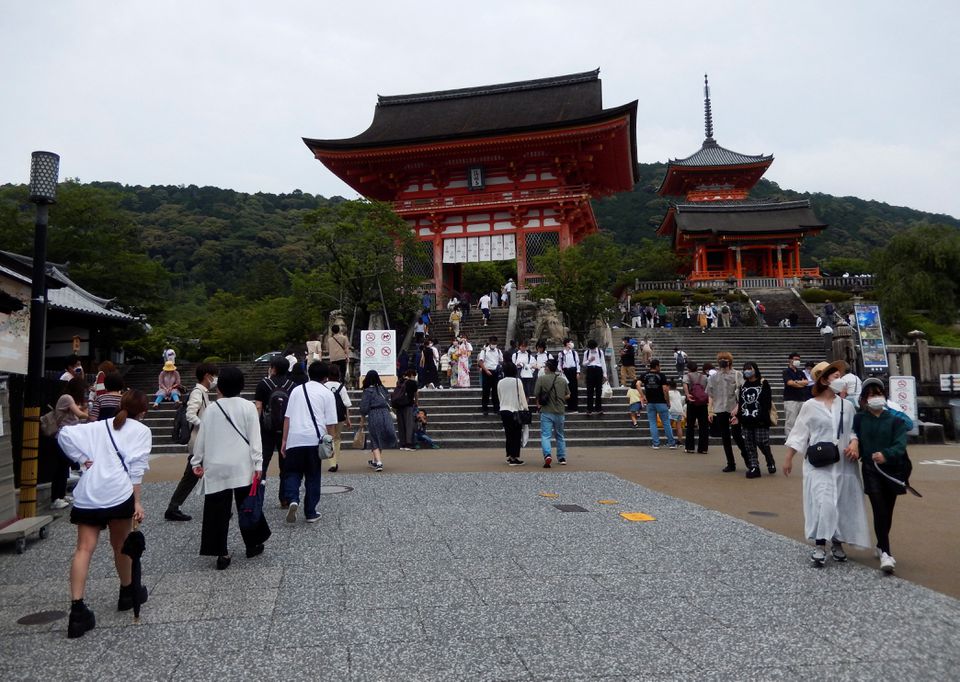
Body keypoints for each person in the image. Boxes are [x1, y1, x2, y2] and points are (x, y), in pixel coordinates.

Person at [58, 390, 151, 639]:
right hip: (119, 493)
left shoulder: (98, 426)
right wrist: (137, 502)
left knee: (83, 549)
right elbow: (136, 470)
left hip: (89, 492)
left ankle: (77, 611)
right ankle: (127, 591)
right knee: (120, 545)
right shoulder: (141, 431)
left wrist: (82, 459)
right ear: (143, 411)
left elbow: (64, 433)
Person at [783, 360, 869, 567]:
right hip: (818, 463)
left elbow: (853, 430)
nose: (839, 380)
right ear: (823, 380)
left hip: (844, 462)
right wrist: (789, 457)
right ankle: (820, 544)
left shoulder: (847, 406)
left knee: (841, 501)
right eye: (835, 376)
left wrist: (855, 443)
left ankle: (837, 543)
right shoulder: (810, 406)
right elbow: (799, 433)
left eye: (840, 376)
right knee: (823, 501)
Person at [192, 366, 270, 568]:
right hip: (242, 465)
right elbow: (255, 438)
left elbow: (202, 438)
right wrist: (258, 463)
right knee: (247, 506)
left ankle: (222, 553)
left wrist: (196, 461)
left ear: (221, 387)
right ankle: (253, 544)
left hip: (216, 465)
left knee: (217, 511)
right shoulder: (248, 407)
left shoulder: (211, 409)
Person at [854, 378, 911, 574]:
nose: (875, 398)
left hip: (892, 470)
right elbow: (854, 437)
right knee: (879, 509)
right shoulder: (860, 419)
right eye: (870, 395)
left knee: (887, 510)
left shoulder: (896, 420)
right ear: (863, 399)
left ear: (884, 397)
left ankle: (880, 544)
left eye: (878, 394)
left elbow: (900, 444)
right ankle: (886, 552)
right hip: (871, 470)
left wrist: (886, 454)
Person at [280, 361, 338, 523]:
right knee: (313, 476)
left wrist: (284, 440)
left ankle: (292, 499)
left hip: (294, 438)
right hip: (314, 439)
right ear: (326, 377)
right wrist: (330, 442)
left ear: (309, 374)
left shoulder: (297, 391)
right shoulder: (327, 394)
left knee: (292, 473)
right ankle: (310, 512)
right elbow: (330, 423)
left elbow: (287, 417)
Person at [164, 362, 219, 522]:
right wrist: (205, 426)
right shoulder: (198, 393)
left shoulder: (202, 392)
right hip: (198, 441)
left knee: (199, 474)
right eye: (214, 375)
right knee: (195, 475)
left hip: (201, 441)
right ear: (207, 376)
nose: (215, 379)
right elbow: (190, 414)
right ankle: (173, 507)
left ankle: (174, 507)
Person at [254, 358, 295, 507]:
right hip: (286, 430)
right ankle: (285, 498)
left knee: (262, 463)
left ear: (273, 368)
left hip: (266, 429)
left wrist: (256, 427)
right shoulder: (292, 386)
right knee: (285, 466)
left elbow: (258, 407)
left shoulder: (263, 384)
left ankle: (258, 497)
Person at [50, 377, 90, 509]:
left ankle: (61, 495)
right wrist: (87, 411)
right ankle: (55, 498)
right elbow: (80, 415)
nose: (84, 393)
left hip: (67, 437)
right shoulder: (67, 398)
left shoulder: (70, 399)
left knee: (63, 467)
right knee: (60, 469)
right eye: (83, 390)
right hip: (61, 436)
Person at [735, 361, 776, 478]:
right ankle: (754, 466)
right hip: (747, 419)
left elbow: (767, 402)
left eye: (750, 368)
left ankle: (769, 459)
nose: (747, 371)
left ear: (755, 370)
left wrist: (762, 416)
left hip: (760, 419)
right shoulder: (743, 386)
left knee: (761, 442)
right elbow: (741, 402)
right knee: (749, 444)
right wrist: (738, 417)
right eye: (745, 369)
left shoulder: (763, 383)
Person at [707, 351, 747, 472]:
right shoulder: (713, 377)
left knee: (737, 435)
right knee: (725, 437)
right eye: (720, 359)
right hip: (720, 409)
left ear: (730, 361)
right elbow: (711, 395)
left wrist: (739, 407)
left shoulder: (737, 374)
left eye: (725, 359)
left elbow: (743, 393)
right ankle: (730, 462)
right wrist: (710, 410)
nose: (723, 361)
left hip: (734, 409)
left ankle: (748, 458)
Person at [534, 358, 570, 467]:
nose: (544, 368)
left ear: (548, 368)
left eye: (545, 367)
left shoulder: (541, 379)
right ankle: (562, 457)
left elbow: (536, 393)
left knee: (546, 435)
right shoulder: (562, 380)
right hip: (559, 411)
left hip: (546, 411)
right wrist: (560, 398)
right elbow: (568, 394)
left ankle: (547, 455)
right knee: (560, 435)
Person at [358, 370, 397, 471]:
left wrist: (362, 421)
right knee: (381, 436)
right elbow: (388, 401)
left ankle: (379, 463)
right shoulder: (383, 389)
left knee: (374, 437)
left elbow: (363, 408)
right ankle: (375, 460)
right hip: (385, 414)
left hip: (374, 414)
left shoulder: (367, 391)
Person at [322, 363, 351, 473]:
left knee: (329, 438)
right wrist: (348, 419)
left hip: (327, 417)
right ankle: (336, 460)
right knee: (337, 438)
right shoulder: (341, 387)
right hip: (339, 416)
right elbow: (346, 404)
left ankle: (332, 462)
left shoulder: (324, 386)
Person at [640, 359, 676, 449]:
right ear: (656, 366)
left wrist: (643, 395)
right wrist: (667, 401)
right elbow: (665, 390)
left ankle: (656, 444)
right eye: (659, 366)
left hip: (650, 403)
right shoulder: (661, 375)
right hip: (661, 402)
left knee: (652, 423)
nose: (660, 367)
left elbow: (637, 384)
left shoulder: (645, 375)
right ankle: (671, 443)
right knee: (666, 422)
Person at [497, 361, 527, 467]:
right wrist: (525, 408)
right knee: (516, 434)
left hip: (504, 409)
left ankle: (510, 455)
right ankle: (514, 457)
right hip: (515, 410)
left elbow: (499, 396)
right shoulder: (517, 381)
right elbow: (522, 396)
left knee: (508, 434)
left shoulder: (500, 382)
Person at [682, 361, 710, 454]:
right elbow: (707, 388)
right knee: (703, 426)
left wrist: (687, 394)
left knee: (690, 425)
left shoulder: (687, 376)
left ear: (688, 368)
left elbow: (685, 384)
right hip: (702, 403)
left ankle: (690, 447)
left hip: (692, 402)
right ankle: (703, 448)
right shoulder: (704, 377)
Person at [783, 353, 809, 440]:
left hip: (801, 399)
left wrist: (796, 382)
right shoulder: (786, 372)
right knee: (791, 421)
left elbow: (806, 382)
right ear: (790, 360)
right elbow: (789, 383)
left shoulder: (800, 372)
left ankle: (800, 439)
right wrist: (800, 383)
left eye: (798, 359)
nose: (797, 361)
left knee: (802, 421)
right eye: (795, 359)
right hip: (790, 399)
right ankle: (790, 440)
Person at [478, 336, 504, 414]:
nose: (494, 344)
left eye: (495, 343)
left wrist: (500, 368)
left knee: (495, 391)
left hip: (496, 372)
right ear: (489, 342)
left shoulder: (498, 351)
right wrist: (486, 370)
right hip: (486, 372)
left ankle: (496, 408)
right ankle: (484, 408)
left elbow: (501, 361)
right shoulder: (485, 351)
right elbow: (480, 362)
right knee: (486, 391)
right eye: (492, 343)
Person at [396, 368, 419, 451]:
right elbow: (416, 394)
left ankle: (402, 443)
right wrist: (416, 402)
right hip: (408, 405)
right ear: (412, 375)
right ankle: (408, 444)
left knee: (401, 425)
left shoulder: (400, 381)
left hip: (398, 405)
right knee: (409, 424)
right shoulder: (413, 383)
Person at [582, 339, 607, 415]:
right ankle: (589, 409)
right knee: (590, 391)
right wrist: (589, 360)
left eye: (593, 348)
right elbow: (583, 364)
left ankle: (598, 408)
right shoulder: (586, 353)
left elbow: (603, 362)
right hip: (590, 370)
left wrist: (605, 373)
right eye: (591, 348)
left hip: (598, 370)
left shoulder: (600, 352)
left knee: (598, 390)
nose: (592, 349)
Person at [558, 339, 581, 413]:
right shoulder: (561, 354)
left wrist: (578, 372)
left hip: (573, 371)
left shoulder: (574, 353)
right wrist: (561, 370)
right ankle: (569, 406)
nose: (571, 344)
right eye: (570, 342)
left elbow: (577, 363)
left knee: (574, 389)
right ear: (567, 344)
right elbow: (559, 364)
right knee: (567, 389)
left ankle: (574, 407)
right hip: (565, 371)